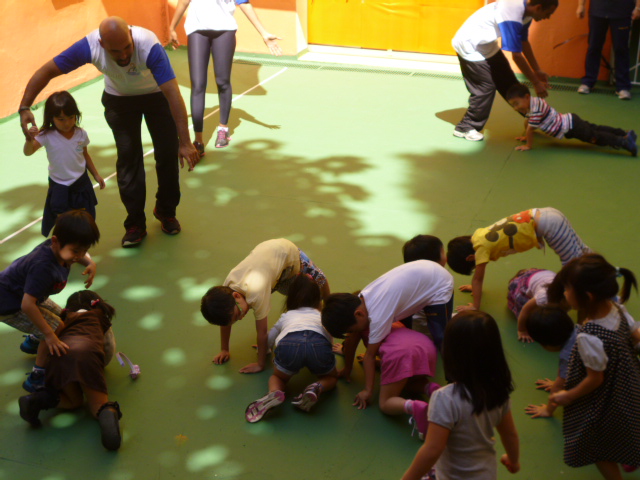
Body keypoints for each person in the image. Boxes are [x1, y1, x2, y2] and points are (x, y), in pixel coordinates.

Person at [18, 16, 200, 248]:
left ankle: (166, 211)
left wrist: (185, 141)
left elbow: (173, 93)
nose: (123, 55)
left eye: (127, 47)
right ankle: (135, 223)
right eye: (115, 51)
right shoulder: (89, 46)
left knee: (167, 154)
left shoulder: (149, 45)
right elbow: (47, 71)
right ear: (102, 44)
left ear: (131, 36)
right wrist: (24, 107)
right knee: (129, 159)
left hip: (156, 96)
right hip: (119, 99)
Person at [546, 254, 640, 479]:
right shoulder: (617, 308)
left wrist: (568, 395)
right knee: (627, 425)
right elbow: (635, 334)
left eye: (567, 289)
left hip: (607, 397)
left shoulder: (589, 335)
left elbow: (595, 378)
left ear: (587, 296)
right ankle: (628, 454)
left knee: (597, 446)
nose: (565, 293)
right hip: (629, 383)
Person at [401, 311, 520, 480]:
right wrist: (513, 461)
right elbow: (510, 434)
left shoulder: (445, 398)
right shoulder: (499, 392)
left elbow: (432, 450)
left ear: (451, 352)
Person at [321, 260, 453, 411]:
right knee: (405, 370)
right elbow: (352, 340)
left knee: (441, 337)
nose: (352, 334)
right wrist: (347, 365)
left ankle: (454, 381)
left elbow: (369, 356)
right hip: (427, 271)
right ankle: (430, 386)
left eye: (351, 330)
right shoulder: (362, 297)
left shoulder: (377, 318)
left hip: (439, 284)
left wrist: (368, 390)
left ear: (359, 314)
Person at [0, 210, 100, 392]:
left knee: (62, 315)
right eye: (75, 251)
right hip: (9, 303)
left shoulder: (59, 250)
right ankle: (37, 376)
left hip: (24, 294)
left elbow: (79, 255)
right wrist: (48, 334)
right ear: (55, 241)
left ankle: (32, 342)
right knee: (55, 328)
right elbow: (27, 305)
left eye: (84, 251)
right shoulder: (43, 267)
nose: (79, 256)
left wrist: (90, 263)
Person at [201, 238, 330, 373]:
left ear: (237, 296)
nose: (241, 318)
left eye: (238, 314)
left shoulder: (256, 292)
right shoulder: (227, 290)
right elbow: (226, 322)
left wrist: (260, 364)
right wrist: (224, 349)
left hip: (287, 254)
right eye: (236, 319)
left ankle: (327, 310)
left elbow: (262, 332)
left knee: (317, 285)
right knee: (297, 296)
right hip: (275, 271)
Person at [169, 0, 282, 153]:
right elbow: (183, 1)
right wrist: (172, 27)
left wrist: (264, 33)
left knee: (222, 82)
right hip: (197, 31)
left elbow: (244, 3)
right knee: (198, 84)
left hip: (224, 31)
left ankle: (223, 129)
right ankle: (198, 139)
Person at [18, 290, 123, 451]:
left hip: (59, 355)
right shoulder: (100, 317)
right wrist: (100, 365)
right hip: (87, 356)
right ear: (97, 304)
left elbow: (45, 339)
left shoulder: (61, 319)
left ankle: (36, 400)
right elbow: (108, 347)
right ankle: (108, 417)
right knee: (98, 405)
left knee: (74, 402)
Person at [451, 0, 557, 142]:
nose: (547, 18)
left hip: (485, 44)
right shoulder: (512, 13)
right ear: (538, 7)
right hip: (469, 45)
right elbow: (517, 56)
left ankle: (535, 119)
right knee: (485, 87)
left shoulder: (527, 14)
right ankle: (465, 127)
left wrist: (537, 70)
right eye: (548, 13)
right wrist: (536, 82)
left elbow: (524, 42)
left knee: (509, 82)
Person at [447, 207, 591, 311]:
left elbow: (478, 279)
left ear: (470, 258)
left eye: (473, 266)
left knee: (571, 265)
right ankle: (599, 269)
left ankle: (594, 291)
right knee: (581, 250)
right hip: (547, 213)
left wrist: (475, 306)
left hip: (548, 225)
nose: (477, 266)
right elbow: (477, 280)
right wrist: (474, 288)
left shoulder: (481, 250)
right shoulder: (478, 236)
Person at [245, 274, 337, 422]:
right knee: (331, 377)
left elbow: (270, 337)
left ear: (291, 298)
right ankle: (316, 387)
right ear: (318, 300)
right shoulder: (321, 316)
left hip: (289, 344)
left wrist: (264, 349)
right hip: (318, 344)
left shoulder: (287, 315)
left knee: (278, 377)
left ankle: (274, 392)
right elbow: (329, 337)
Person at [23, 91, 105, 237]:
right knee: (63, 221)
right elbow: (28, 152)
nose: (66, 123)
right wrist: (29, 139)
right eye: (61, 119)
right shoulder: (46, 135)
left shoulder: (81, 134)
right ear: (51, 118)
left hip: (81, 182)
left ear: (76, 115)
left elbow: (85, 154)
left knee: (86, 219)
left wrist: (96, 175)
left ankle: (83, 245)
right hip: (59, 185)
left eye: (71, 117)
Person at [506, 83, 637, 156]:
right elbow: (528, 122)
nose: (516, 108)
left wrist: (528, 144)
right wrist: (526, 135)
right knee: (595, 128)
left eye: (517, 104)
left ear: (526, 97)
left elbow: (530, 128)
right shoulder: (535, 101)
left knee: (595, 136)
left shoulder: (535, 110)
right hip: (571, 119)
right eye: (513, 106)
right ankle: (624, 133)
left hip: (571, 127)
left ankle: (623, 142)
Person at [576, 0, 640, 100]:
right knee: (594, 47)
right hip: (598, 11)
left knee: (621, 49)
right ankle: (588, 83)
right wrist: (581, 5)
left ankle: (623, 87)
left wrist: (638, 8)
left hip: (622, 12)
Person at [523, 305, 577, 419]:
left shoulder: (568, 355)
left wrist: (548, 410)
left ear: (548, 343)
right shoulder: (578, 330)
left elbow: (558, 387)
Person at [401, 234, 451, 350]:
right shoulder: (441, 280)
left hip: (410, 324)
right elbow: (441, 322)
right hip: (425, 331)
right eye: (443, 251)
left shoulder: (406, 276)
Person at [507, 268, 557, 342]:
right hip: (530, 281)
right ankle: (521, 276)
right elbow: (525, 310)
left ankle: (525, 273)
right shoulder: (544, 296)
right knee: (528, 312)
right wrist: (522, 330)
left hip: (541, 275)